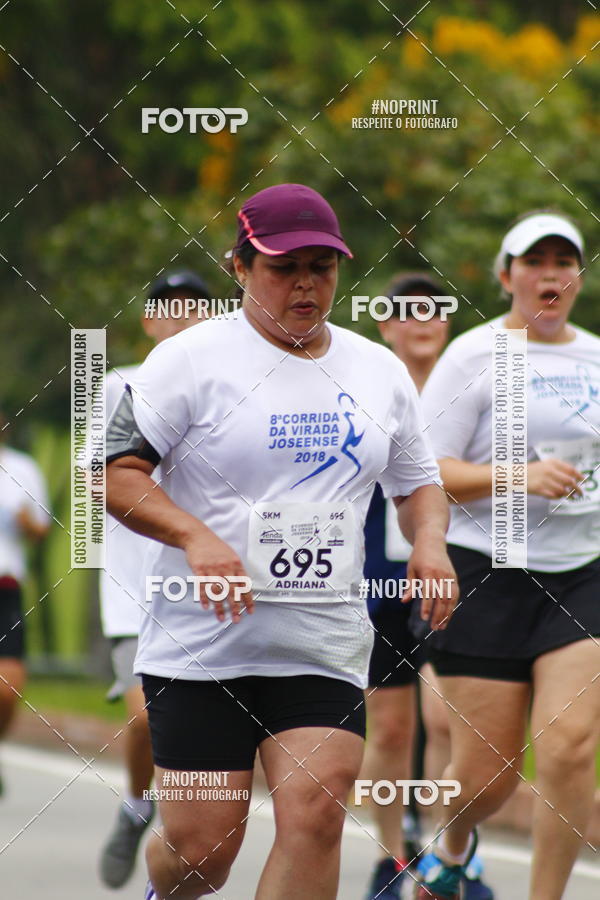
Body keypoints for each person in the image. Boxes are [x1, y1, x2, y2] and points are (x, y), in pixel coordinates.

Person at [104, 183, 459, 900]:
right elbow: (113, 476)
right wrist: (195, 537)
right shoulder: (185, 362)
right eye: (283, 266)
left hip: (320, 645)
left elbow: (419, 482)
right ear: (239, 266)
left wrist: (431, 543)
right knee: (202, 855)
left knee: (318, 814)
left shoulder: (377, 371)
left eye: (322, 268)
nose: (305, 284)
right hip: (202, 648)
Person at [411, 211, 600, 900]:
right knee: (488, 778)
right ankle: (452, 846)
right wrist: (517, 475)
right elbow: (425, 469)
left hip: (582, 571)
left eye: (564, 261)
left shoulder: (597, 357)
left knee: (571, 746)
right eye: (534, 261)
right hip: (487, 569)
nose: (551, 274)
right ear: (505, 276)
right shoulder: (472, 354)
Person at [360, 275, 493, 900]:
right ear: (384, 325)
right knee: (388, 732)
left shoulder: (468, 382)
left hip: (452, 574)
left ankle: (456, 855)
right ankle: (394, 859)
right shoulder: (366, 386)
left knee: (447, 722)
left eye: (434, 312)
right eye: (407, 313)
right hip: (379, 579)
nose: (422, 322)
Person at [99, 269, 212, 889]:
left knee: (187, 735)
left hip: (203, 591)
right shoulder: (119, 386)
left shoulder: (226, 386)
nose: (183, 318)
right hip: (131, 591)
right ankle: (140, 806)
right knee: (146, 719)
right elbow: (104, 481)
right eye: (170, 308)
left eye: (196, 308)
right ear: (149, 322)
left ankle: (173, 840)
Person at [0, 417, 50, 791]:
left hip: (6, 586)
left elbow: (41, 529)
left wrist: (25, 522)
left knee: (8, 686)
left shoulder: (21, 468)